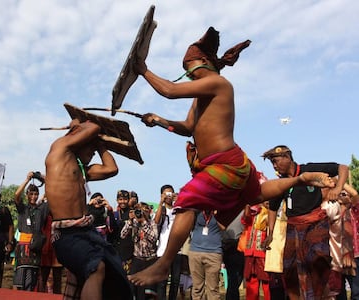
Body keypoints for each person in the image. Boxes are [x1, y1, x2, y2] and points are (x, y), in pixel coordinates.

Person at [128, 26, 336, 287]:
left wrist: (142, 69)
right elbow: (187, 128)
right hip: (232, 162)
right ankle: (299, 179)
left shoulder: (218, 83)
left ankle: (162, 266)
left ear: (203, 63)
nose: (189, 73)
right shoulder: (201, 94)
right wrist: (158, 121)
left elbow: (169, 90)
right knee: (256, 195)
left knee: (186, 203)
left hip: (224, 163)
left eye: (189, 66)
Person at [44, 118, 132, 300]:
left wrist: (100, 145)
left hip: (87, 232)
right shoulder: (59, 151)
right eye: (90, 146)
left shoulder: (83, 170)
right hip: (67, 234)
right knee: (96, 266)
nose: (93, 152)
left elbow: (112, 168)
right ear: (78, 141)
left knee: (115, 270)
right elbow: (94, 126)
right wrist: (77, 125)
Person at [262, 145, 349, 299]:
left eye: (276, 161)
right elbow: (273, 208)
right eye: (272, 163)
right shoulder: (282, 183)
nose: (274, 166)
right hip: (292, 228)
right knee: (290, 271)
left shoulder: (309, 171)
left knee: (318, 264)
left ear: (288, 157)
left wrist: (339, 188)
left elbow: (343, 167)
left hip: (315, 225)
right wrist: (270, 233)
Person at [12, 171, 49, 291]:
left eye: (36, 194)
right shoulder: (22, 208)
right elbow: (16, 195)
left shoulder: (42, 209)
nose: (33, 196)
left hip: (36, 247)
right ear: (27, 195)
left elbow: (52, 191)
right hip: (23, 247)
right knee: (20, 279)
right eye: (31, 194)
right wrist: (27, 179)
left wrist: (42, 179)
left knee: (32, 280)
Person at [121, 202, 158, 299]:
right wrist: (130, 221)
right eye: (139, 211)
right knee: (134, 287)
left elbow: (154, 238)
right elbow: (122, 235)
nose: (141, 213)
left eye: (144, 211)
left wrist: (144, 223)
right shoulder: (133, 223)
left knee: (149, 291)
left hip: (150, 260)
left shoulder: (152, 223)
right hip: (137, 259)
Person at [154, 184, 183, 300]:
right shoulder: (161, 209)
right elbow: (156, 222)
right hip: (163, 250)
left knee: (175, 281)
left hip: (177, 249)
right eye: (166, 194)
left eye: (171, 194)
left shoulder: (178, 209)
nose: (169, 197)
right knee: (162, 281)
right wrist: (161, 202)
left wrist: (180, 201)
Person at [188, 210, 223, 300]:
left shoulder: (220, 212)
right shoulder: (196, 212)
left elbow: (223, 227)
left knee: (213, 288)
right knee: (197, 288)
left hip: (214, 253)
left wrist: (216, 214)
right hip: (195, 251)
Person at [242, 201, 271, 300]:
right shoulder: (252, 211)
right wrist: (248, 204)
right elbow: (245, 219)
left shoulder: (271, 213)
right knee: (251, 283)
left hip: (265, 254)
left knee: (267, 283)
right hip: (250, 252)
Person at [222, 212, 245, 300]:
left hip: (240, 245)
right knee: (233, 277)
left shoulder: (244, 209)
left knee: (236, 278)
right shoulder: (224, 209)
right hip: (227, 246)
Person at [113, 189, 135, 274]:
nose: (123, 202)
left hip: (129, 250)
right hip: (116, 249)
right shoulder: (114, 214)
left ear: (129, 200)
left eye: (125, 199)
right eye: (120, 199)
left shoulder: (132, 213)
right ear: (117, 200)